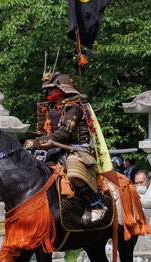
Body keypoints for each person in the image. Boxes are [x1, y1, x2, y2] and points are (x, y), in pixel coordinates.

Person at [24, 72, 107, 224]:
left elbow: (64, 133)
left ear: (61, 89)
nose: (47, 92)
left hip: (77, 149)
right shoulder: (48, 108)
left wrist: (38, 143)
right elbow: (43, 131)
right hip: (53, 149)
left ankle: (97, 205)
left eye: (51, 89)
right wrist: (35, 145)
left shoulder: (73, 107)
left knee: (74, 173)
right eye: (46, 89)